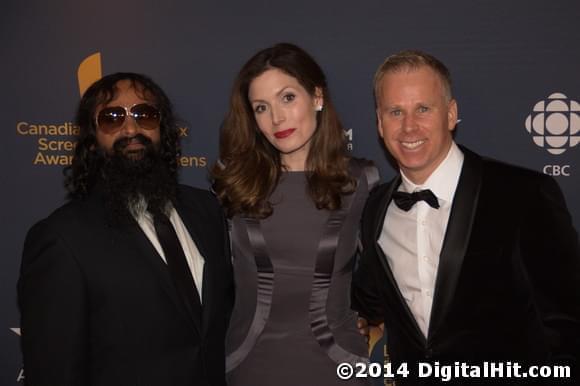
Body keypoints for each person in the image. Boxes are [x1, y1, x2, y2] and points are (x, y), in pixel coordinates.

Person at [353, 50, 580, 384]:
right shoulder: (375, 208)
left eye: (423, 109)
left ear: (451, 114)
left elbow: (568, 323)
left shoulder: (524, 194)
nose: (408, 126)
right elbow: (367, 298)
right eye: (395, 111)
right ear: (379, 122)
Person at [18, 73, 232, 386]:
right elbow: (54, 372)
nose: (131, 129)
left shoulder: (208, 210)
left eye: (145, 115)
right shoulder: (61, 239)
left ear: (162, 128)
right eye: (112, 118)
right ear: (92, 138)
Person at [212, 42, 378, 386]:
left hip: (338, 366)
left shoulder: (361, 180)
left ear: (317, 97)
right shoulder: (232, 180)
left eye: (287, 98)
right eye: (261, 107)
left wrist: (379, 324)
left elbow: (394, 274)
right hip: (250, 363)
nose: (276, 118)